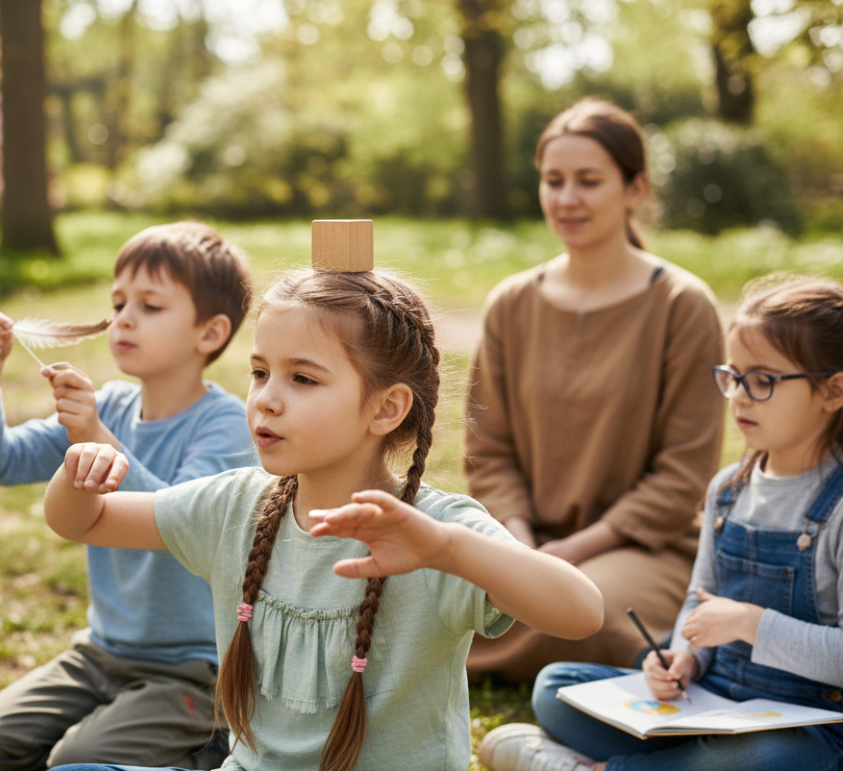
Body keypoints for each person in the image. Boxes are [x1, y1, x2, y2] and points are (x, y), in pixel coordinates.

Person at [40, 264, 604, 771]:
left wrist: (447, 550)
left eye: (302, 379)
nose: (267, 399)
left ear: (386, 408)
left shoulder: (435, 527)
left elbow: (581, 612)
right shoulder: (235, 505)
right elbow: (83, 522)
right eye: (260, 373)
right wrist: (77, 474)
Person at [479, 272, 843, 771]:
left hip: (810, 723)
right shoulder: (727, 490)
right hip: (713, 702)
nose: (738, 396)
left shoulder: (838, 507)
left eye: (763, 382)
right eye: (732, 377)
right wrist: (682, 660)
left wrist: (752, 625)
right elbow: (699, 600)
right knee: (555, 687)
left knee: (771, 755)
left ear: (833, 391)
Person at [0, 222, 255, 771]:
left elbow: (178, 523)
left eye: (151, 305)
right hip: (100, 653)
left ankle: (212, 746)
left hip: (194, 668)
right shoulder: (110, 405)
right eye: (118, 302)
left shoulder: (226, 425)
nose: (124, 317)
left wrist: (96, 436)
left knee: (80, 755)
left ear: (209, 334)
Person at [464, 97, 725, 682]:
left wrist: (568, 555)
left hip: (640, 550)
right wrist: (521, 546)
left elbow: (683, 473)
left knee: (595, 615)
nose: (566, 199)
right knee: (415, 586)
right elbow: (489, 451)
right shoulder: (511, 303)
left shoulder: (682, 306)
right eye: (553, 181)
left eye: (588, 181)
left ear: (634, 190)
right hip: (521, 539)